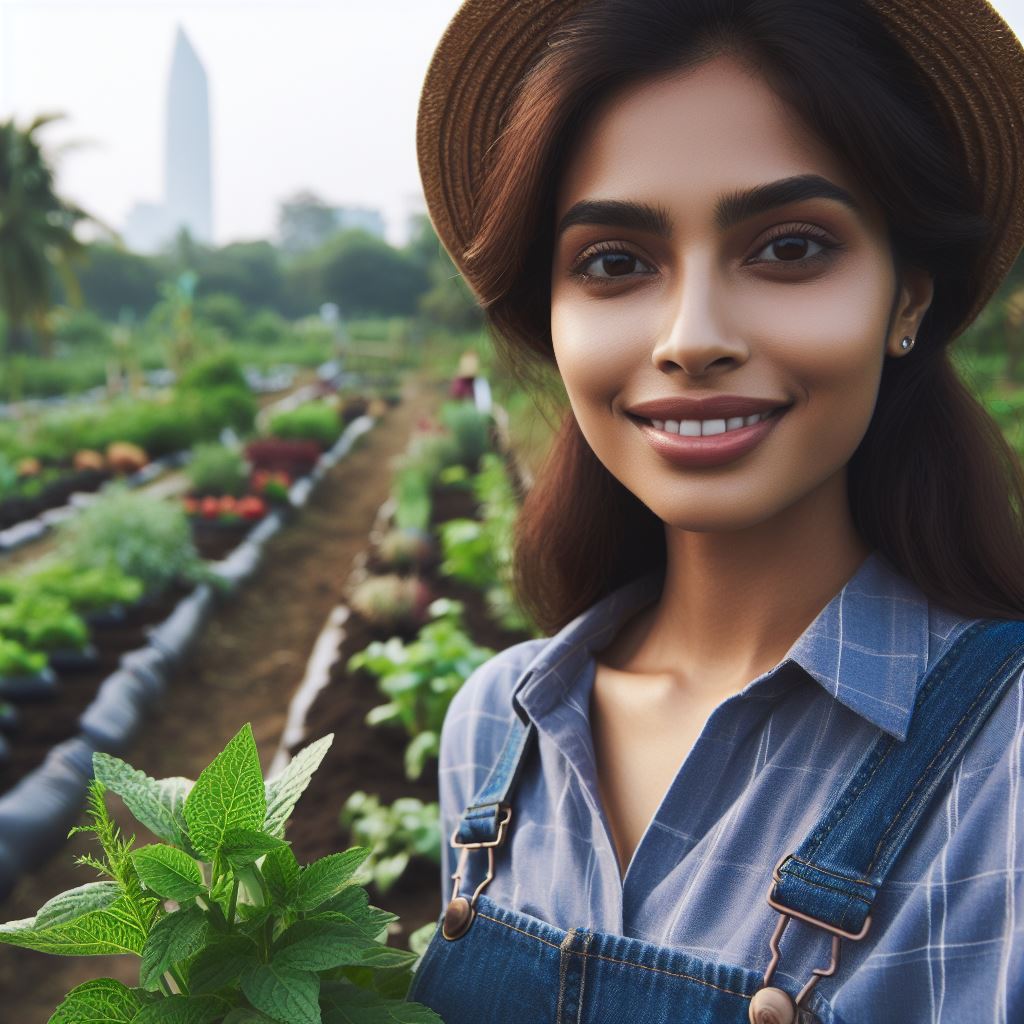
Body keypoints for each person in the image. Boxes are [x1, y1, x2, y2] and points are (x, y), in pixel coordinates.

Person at [410, 2, 1024, 1022]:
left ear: (906, 297)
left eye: (789, 248)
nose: (690, 338)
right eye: (613, 262)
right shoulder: (497, 727)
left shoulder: (1004, 766)